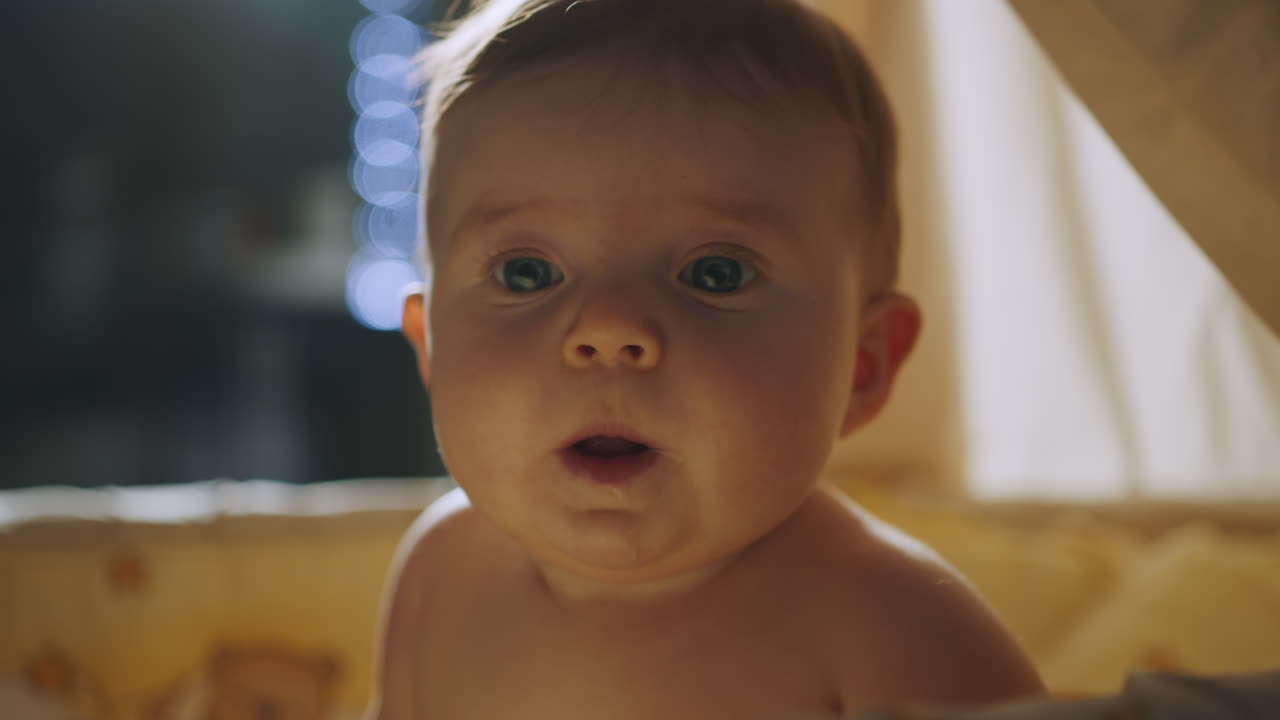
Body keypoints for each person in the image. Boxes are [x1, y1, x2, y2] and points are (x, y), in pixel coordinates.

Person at [367, 0, 1045, 717]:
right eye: (525, 273)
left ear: (863, 364)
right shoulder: (441, 575)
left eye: (714, 273)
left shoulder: (897, 632)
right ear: (431, 345)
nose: (606, 329)